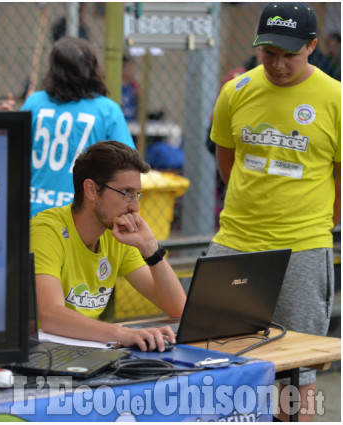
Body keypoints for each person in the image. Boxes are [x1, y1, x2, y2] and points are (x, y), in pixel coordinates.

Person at [208, 3, 340, 421]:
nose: (278, 65)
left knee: (296, 373)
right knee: (214, 356)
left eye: (289, 54)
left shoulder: (335, 99)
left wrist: (324, 222)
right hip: (235, 241)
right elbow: (226, 159)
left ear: (312, 47)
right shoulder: (236, 91)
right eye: (269, 53)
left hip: (302, 247)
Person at [30, 140, 186, 351]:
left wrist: (150, 248)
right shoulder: (47, 230)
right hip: (39, 355)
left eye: (136, 194)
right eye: (126, 193)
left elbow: (178, 309)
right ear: (91, 189)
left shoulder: (117, 233)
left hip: (85, 352)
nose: (135, 207)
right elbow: (51, 316)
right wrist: (122, 333)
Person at [22, 37, 136, 219]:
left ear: (53, 70)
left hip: (33, 212)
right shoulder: (107, 110)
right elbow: (128, 166)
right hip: (81, 218)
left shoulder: (34, 103)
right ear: (92, 70)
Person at [121, 50, 141, 122]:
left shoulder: (133, 85)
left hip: (131, 120)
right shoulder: (115, 86)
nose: (131, 72)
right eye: (128, 70)